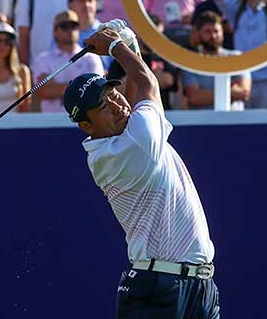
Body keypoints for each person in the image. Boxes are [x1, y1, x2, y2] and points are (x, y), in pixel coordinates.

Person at [64, 23, 219, 317]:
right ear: (86, 126)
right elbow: (147, 85)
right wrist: (116, 47)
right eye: (103, 106)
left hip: (197, 286)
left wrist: (131, 47)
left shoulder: (122, 137)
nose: (116, 104)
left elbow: (136, 93)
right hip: (158, 288)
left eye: (112, 93)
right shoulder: (127, 149)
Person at [32, 10, 104, 113]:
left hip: (85, 120)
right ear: (55, 31)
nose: (70, 30)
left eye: (74, 26)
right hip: (50, 122)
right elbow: (44, 91)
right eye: (64, 26)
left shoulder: (91, 57)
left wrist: (57, 88)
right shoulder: (42, 59)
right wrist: (81, 86)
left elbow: (96, 89)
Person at [182, 11, 251, 111]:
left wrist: (205, 94)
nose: (213, 36)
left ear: (222, 33)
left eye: (216, 31)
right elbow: (194, 97)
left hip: (234, 120)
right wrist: (230, 93)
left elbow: (244, 93)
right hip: (202, 122)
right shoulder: (190, 62)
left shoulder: (236, 57)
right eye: (207, 32)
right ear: (198, 33)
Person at [15, 0, 69, 65]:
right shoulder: (28, 1)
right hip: (37, 67)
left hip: (64, 66)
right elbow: (24, 37)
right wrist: (25, 68)